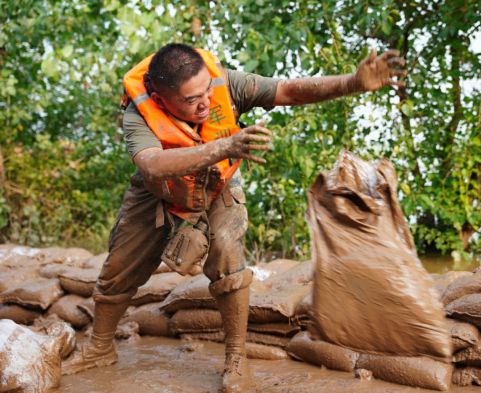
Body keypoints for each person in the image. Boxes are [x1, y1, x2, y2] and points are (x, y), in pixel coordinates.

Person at [62, 43, 405, 392]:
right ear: (161, 97)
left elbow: (287, 89)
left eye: (207, 90)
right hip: (159, 192)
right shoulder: (140, 111)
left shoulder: (224, 83)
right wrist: (223, 147)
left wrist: (353, 82)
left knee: (227, 254)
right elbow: (151, 163)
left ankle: (236, 359)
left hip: (217, 185)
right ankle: (100, 347)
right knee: (119, 265)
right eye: (191, 99)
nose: (206, 103)